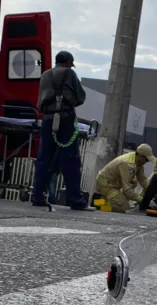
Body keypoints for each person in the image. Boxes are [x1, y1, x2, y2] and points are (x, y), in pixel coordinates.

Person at [31, 51, 93, 211]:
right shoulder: (69, 73)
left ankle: (37, 197)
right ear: (68, 62)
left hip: (48, 119)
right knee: (71, 159)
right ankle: (76, 200)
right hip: (65, 119)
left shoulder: (45, 75)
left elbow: (40, 103)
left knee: (44, 158)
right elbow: (81, 97)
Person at [96, 144, 155, 213]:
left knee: (133, 182)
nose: (147, 161)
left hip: (113, 185)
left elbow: (143, 180)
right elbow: (127, 190)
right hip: (105, 184)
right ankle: (98, 203)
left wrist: (154, 192)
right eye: (146, 159)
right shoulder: (127, 164)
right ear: (140, 156)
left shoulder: (138, 163)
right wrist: (142, 200)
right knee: (124, 209)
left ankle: (105, 200)